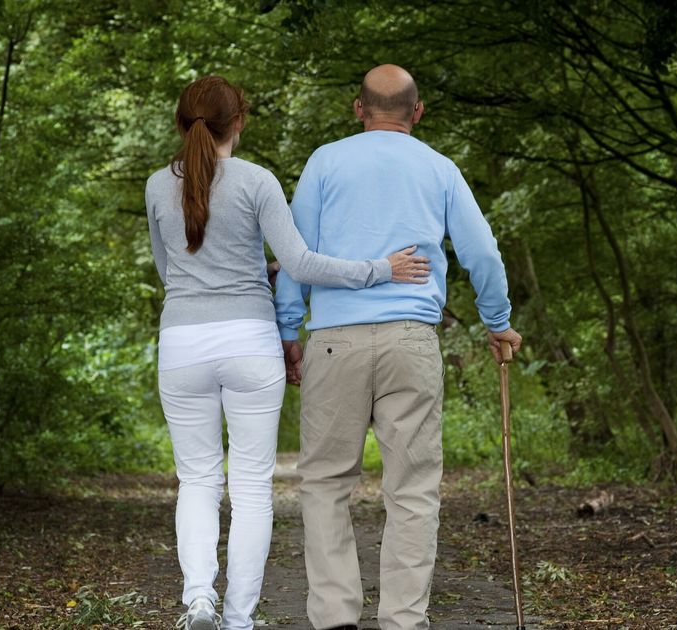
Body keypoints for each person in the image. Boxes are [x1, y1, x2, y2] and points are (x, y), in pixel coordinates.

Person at [144, 76, 431, 630]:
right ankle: (238, 619)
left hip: (182, 344)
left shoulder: (158, 185)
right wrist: (380, 270)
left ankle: (198, 599)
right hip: (249, 345)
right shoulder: (257, 182)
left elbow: (170, 271)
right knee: (251, 486)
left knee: (198, 480)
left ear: (182, 123)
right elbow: (302, 264)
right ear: (240, 121)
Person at [273, 64, 523, 630]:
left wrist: (289, 330)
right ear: (418, 112)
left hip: (334, 341)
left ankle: (336, 617)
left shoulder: (325, 162)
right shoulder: (439, 168)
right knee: (412, 489)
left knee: (325, 483)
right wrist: (497, 321)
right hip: (412, 341)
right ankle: (403, 621)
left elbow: (294, 254)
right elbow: (482, 252)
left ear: (358, 109)